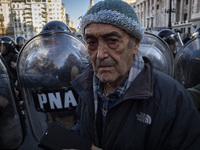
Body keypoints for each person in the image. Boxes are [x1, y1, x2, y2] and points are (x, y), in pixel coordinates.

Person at [68, 0, 200, 149]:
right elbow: (84, 126)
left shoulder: (173, 99)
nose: (100, 54)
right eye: (92, 42)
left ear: (135, 45)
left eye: (112, 41)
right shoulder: (86, 85)